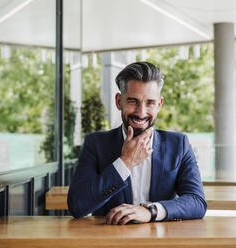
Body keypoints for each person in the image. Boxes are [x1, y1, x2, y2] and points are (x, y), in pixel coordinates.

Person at [68, 62, 206, 225]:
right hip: (110, 240)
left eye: (150, 103)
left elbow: (197, 202)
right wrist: (126, 162)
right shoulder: (96, 143)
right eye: (133, 101)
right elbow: (77, 205)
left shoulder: (178, 144)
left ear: (159, 104)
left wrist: (151, 211)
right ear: (119, 101)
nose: (141, 113)